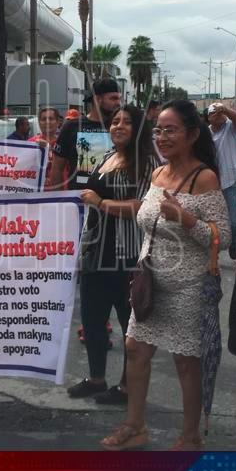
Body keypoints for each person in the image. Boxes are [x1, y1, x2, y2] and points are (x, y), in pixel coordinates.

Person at [101, 100, 230, 451]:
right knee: (135, 349)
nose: (162, 136)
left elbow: (223, 237)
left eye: (170, 129)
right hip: (150, 285)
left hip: (188, 287)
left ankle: (189, 438)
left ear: (192, 134)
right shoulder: (158, 174)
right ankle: (134, 425)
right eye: (158, 129)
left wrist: (186, 219)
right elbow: (146, 221)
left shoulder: (204, 177)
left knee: (186, 363)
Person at [69, 105, 159, 405]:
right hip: (95, 252)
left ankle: (126, 387)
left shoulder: (148, 161)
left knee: (129, 328)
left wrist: (101, 202)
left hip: (127, 257)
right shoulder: (106, 157)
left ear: (139, 129)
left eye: (127, 122)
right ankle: (96, 378)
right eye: (115, 121)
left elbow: (145, 206)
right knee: (93, 321)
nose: (118, 126)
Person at [49, 78, 121, 191]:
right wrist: (57, 201)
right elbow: (57, 168)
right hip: (79, 201)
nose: (118, 103)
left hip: (112, 202)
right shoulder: (71, 127)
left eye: (118, 98)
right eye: (113, 98)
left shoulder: (119, 128)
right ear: (97, 99)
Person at [206, 103, 236, 260]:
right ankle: (212, 253)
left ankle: (234, 245)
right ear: (209, 117)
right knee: (213, 222)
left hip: (230, 181)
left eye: (221, 112)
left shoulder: (231, 128)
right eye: (215, 113)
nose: (219, 115)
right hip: (213, 183)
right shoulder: (206, 133)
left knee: (234, 221)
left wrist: (226, 110)